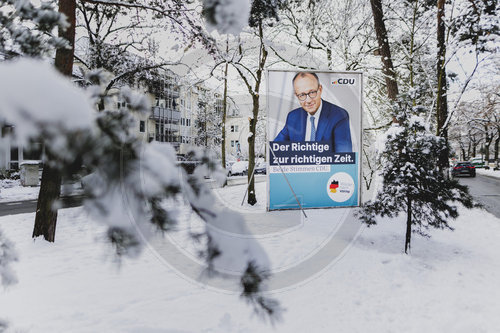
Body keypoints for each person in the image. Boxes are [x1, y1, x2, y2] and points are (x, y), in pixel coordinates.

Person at [274, 72, 352, 152]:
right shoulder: (293, 117)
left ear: (320, 90)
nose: (308, 100)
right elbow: (275, 149)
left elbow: (344, 157)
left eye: (312, 92)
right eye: (302, 95)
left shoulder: (339, 115)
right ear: (296, 95)